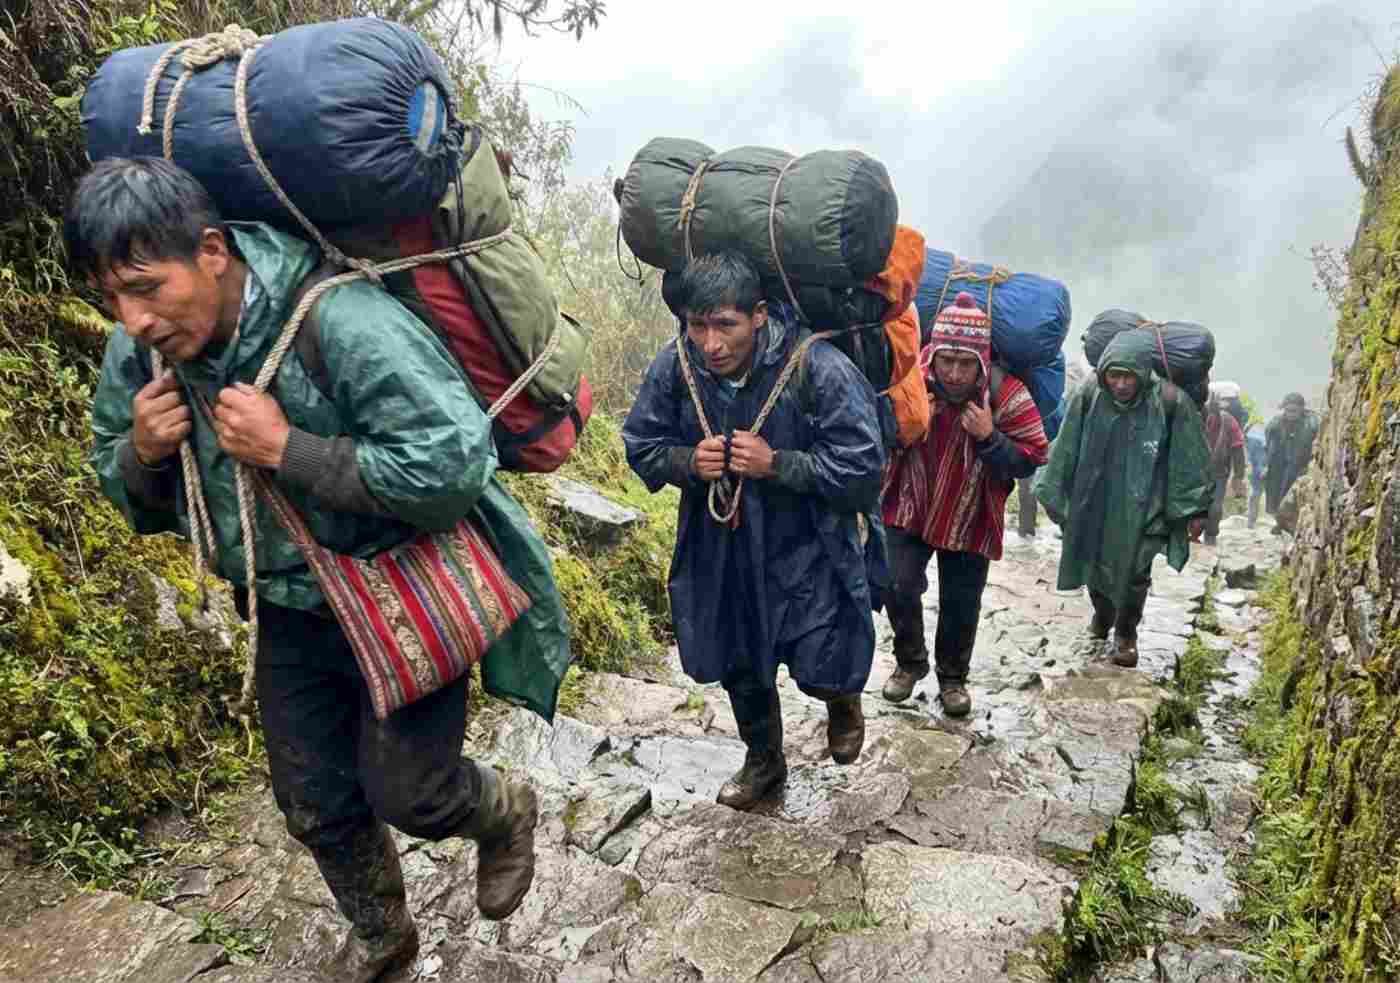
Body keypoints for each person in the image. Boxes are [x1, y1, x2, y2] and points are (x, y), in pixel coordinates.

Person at [75, 158, 561, 981]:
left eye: (148, 288)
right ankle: (383, 931)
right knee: (310, 799)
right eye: (112, 298)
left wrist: (289, 449)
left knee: (412, 791)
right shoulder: (150, 358)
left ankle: (505, 807)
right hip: (290, 605)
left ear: (213, 251)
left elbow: (453, 461)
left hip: (399, 581)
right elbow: (110, 466)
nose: (133, 320)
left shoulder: (341, 321)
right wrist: (141, 451)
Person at [623, 251, 887, 811]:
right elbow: (641, 445)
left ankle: (840, 698)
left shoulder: (817, 368)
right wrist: (687, 462)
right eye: (698, 326)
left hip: (808, 544)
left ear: (760, 315)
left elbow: (864, 468)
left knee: (821, 652)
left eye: (726, 325)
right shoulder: (677, 367)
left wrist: (779, 465)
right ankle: (764, 760)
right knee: (740, 659)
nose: (711, 344)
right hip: (721, 544)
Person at [880, 294, 1049, 716]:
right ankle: (909, 662)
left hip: (970, 515)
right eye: (946, 361)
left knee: (961, 601)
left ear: (982, 361)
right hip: (909, 504)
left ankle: (952, 679)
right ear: (932, 354)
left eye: (965, 363)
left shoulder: (1006, 395)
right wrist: (907, 424)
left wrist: (990, 437)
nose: (954, 374)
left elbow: (1030, 458)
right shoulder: (911, 383)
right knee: (896, 583)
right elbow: (878, 434)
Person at [1034, 331, 1213, 668]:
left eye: (1128, 376)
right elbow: (1066, 442)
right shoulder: (1089, 394)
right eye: (1114, 375)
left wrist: (1195, 509)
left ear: (1143, 374)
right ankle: (1103, 614)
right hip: (1095, 499)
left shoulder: (1171, 402)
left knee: (1135, 572)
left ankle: (1126, 633)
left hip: (1148, 505)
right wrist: (1052, 487)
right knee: (1094, 563)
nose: (1120, 384)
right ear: (1103, 374)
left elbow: (1192, 457)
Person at [1016, 353, 1089, 540]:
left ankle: (1026, 533)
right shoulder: (1064, 366)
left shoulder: (1031, 365)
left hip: (1032, 429)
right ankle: (1064, 530)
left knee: (1028, 487)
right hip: (1053, 432)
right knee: (1057, 485)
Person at [1202, 393, 1247, 546]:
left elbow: (1238, 447)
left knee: (1214, 507)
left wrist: (1238, 475)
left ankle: (1210, 536)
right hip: (1195, 472)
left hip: (1219, 472)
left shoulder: (1228, 421)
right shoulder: (1193, 418)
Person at [1265, 392, 1319, 517]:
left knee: (1295, 495)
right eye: (1288, 410)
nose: (1291, 414)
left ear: (1301, 409)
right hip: (1279, 465)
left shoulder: (1311, 423)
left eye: (1294, 410)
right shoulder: (1276, 423)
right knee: (1276, 492)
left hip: (1301, 465)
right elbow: (1269, 445)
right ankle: (1278, 518)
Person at [1245, 420, 1267, 528]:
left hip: (1259, 469)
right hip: (1259, 469)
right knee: (1256, 494)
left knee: (1255, 493)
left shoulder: (1252, 439)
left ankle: (1251, 520)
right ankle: (1251, 520)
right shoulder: (1257, 439)